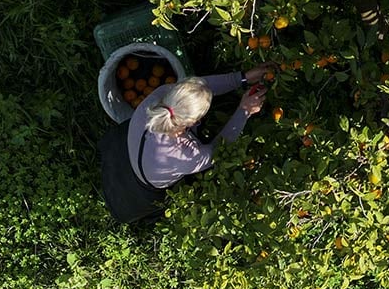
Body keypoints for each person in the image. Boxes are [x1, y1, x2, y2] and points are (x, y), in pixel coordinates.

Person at [99, 66, 268, 223]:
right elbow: (218, 150)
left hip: (128, 147)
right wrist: (244, 111)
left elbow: (202, 87)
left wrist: (242, 78)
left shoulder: (161, 95)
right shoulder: (185, 155)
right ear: (194, 121)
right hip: (143, 188)